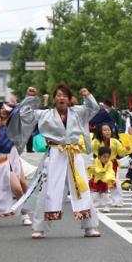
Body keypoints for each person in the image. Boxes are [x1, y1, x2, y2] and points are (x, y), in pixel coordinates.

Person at [7, 84, 101, 239]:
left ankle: (89, 226)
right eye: (58, 95)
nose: (61, 98)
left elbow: (94, 108)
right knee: (48, 191)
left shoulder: (78, 112)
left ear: (69, 99)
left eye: (64, 95)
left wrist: (87, 95)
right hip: (55, 153)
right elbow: (26, 115)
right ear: (54, 98)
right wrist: (29, 98)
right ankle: (39, 228)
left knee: (82, 190)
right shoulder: (46, 114)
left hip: (73, 154)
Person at [91, 123, 128, 207]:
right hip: (99, 164)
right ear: (100, 132)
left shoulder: (115, 141)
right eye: (105, 130)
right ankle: (97, 202)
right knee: (99, 183)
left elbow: (121, 152)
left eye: (109, 130)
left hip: (112, 164)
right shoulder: (96, 142)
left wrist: (127, 149)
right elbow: (90, 150)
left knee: (115, 182)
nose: (107, 132)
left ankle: (117, 201)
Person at [89, 146, 116, 213]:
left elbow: (110, 171)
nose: (106, 159)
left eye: (108, 157)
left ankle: (106, 206)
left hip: (105, 180)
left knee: (105, 194)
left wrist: (111, 178)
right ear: (99, 156)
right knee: (95, 194)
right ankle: (94, 206)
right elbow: (96, 168)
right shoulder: (96, 161)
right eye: (104, 157)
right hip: (97, 179)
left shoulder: (109, 163)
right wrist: (100, 171)